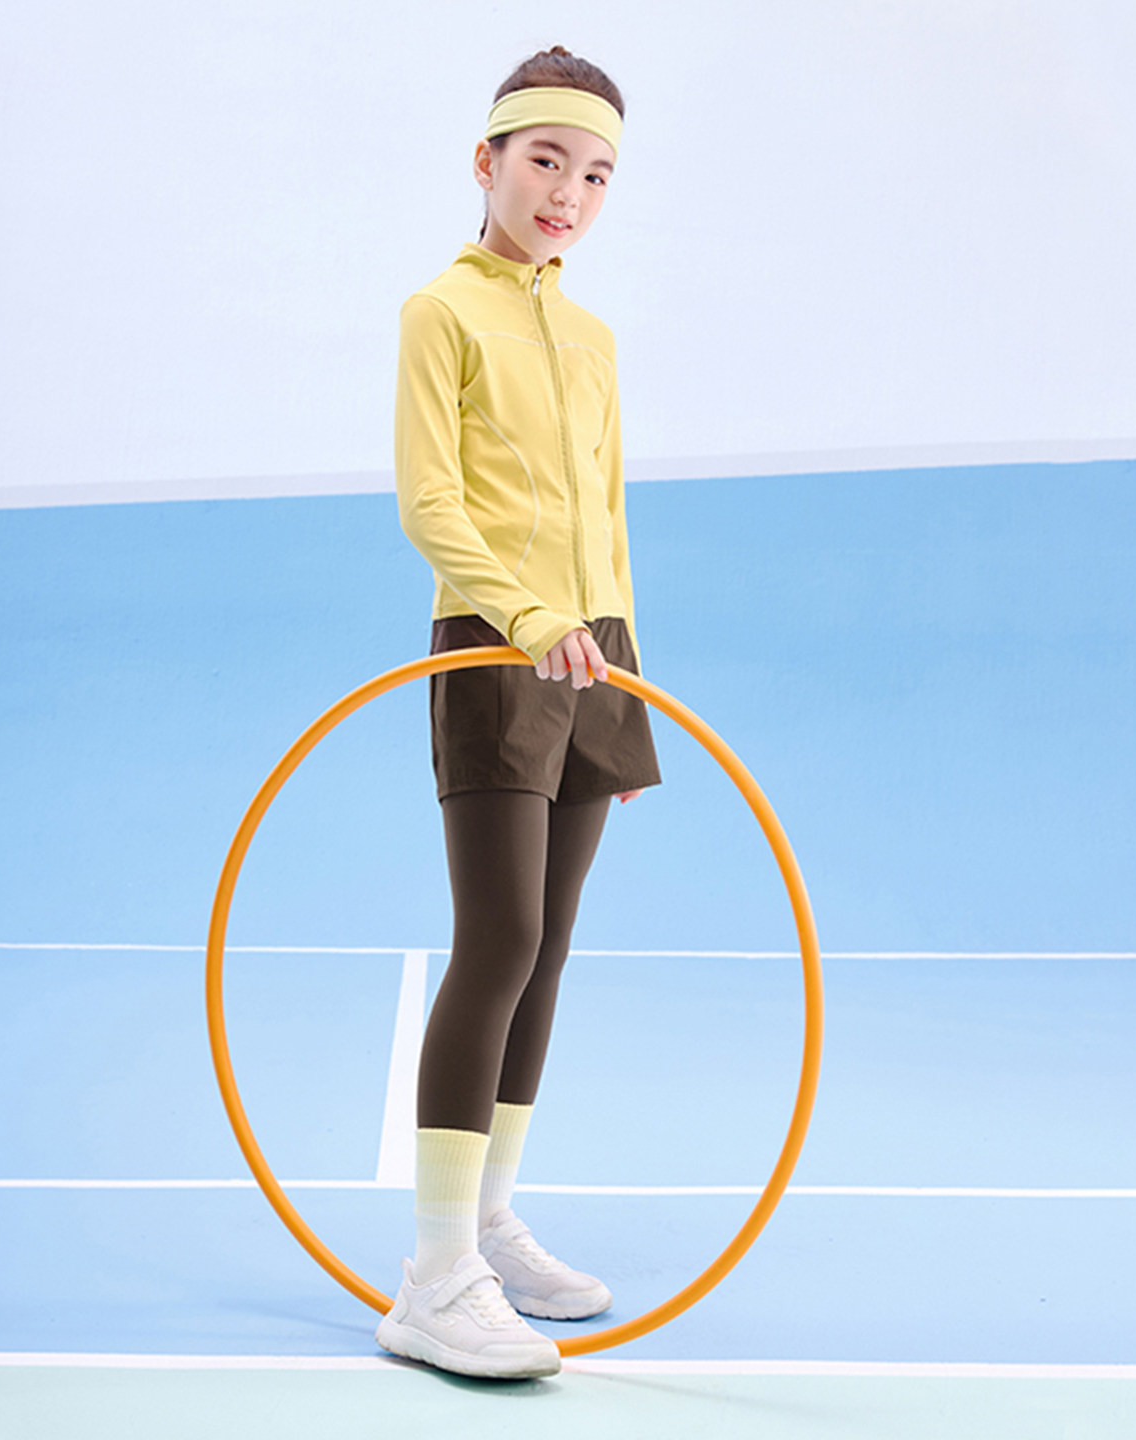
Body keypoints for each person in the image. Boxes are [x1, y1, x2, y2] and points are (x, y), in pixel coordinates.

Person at [375, 47, 661, 1381]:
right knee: (497, 936)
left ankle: (489, 1220)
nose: (568, 193)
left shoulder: (594, 340)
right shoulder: (440, 311)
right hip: (496, 649)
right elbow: (430, 504)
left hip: (596, 660)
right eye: (546, 160)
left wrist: (622, 668)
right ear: (487, 161)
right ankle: (435, 1278)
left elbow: (607, 514)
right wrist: (528, 617)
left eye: (596, 174)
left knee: (549, 949)